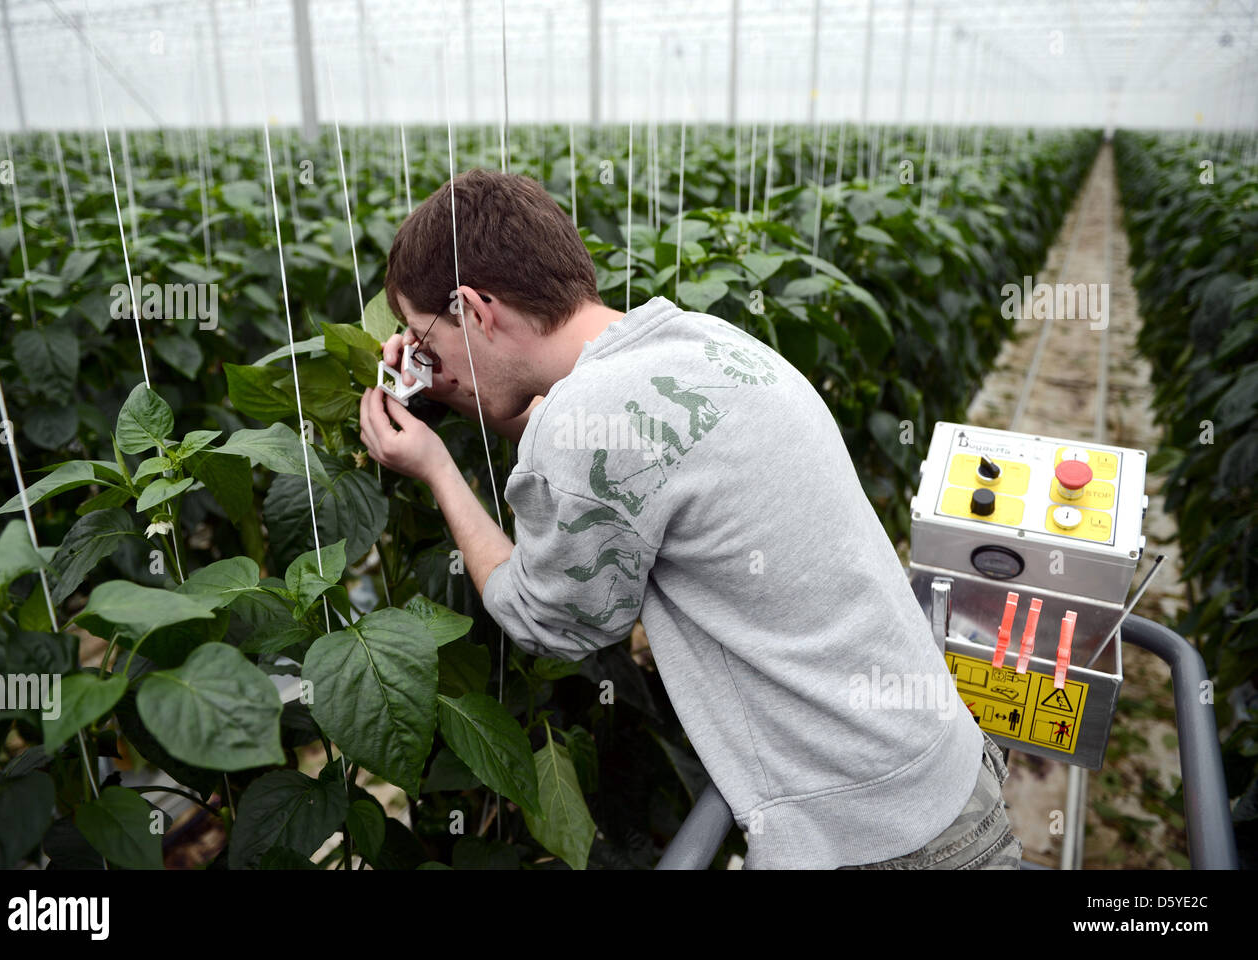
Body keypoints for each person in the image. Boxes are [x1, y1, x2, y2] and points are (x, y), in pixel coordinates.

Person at [358, 168, 1022, 870]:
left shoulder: (586, 425)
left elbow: (544, 620)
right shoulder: (697, 341)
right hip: (945, 772)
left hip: (876, 839)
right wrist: (465, 391)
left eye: (423, 333)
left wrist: (434, 466)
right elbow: (609, 454)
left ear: (472, 308)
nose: (421, 353)